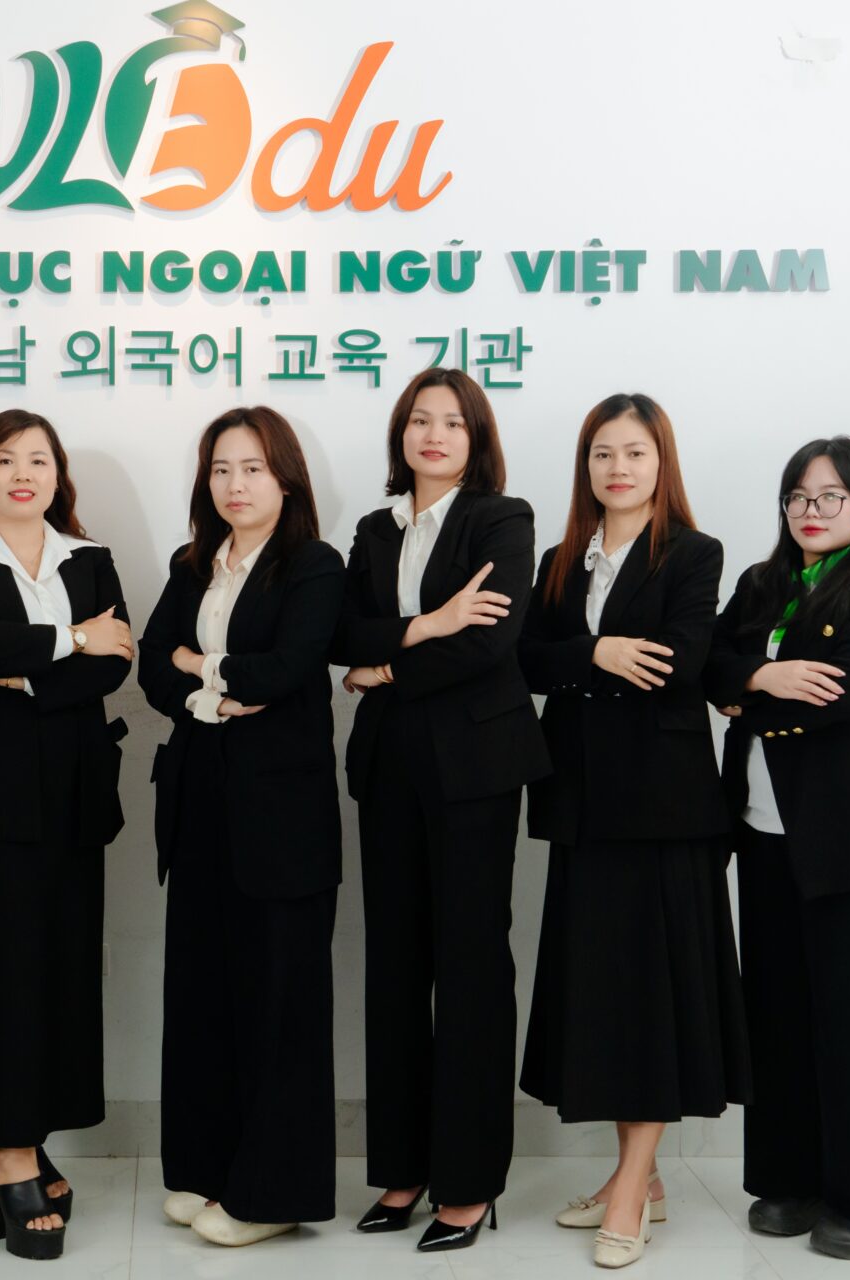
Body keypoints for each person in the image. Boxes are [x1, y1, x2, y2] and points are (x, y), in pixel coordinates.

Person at [516, 393, 749, 1269]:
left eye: (636, 453)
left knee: (653, 995)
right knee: (608, 996)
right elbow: (523, 658)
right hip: (582, 803)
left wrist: (582, 662)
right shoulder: (560, 559)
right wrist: (598, 653)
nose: (618, 468)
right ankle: (637, 1178)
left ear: (662, 463)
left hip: (663, 808)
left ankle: (629, 1190)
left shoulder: (693, 551)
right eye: (603, 453)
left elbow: (680, 664)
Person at [331, 367, 549, 1253]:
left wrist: (386, 666)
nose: (433, 435)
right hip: (389, 768)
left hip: (474, 770)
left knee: (468, 968)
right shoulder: (374, 529)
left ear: (476, 437)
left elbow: (491, 641)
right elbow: (340, 634)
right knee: (394, 967)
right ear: (401, 434)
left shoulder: (503, 519)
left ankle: (468, 1182)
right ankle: (404, 1168)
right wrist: (425, 625)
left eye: (452, 422)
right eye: (419, 420)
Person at [0, 410, 134, 1261]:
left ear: (57, 476)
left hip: (75, 789)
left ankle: (35, 1138)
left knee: (63, 969)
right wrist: (72, 640)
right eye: (5, 459)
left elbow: (118, 662)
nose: (22, 474)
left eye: (38, 460)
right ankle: (7, 1153)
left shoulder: (90, 557)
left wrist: (30, 674)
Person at [703, 435, 850, 1261]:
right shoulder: (761, 583)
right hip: (762, 832)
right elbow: (707, 667)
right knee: (778, 1015)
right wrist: (762, 676)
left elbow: (843, 693)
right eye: (798, 496)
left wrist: (747, 688)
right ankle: (788, 1181)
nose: (811, 511)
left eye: (831, 496)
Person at [137, 406, 344, 1248]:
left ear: (286, 478)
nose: (235, 484)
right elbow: (151, 664)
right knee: (202, 994)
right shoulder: (194, 564)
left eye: (253, 467)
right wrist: (211, 695)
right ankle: (208, 1168)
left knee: (279, 1003)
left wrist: (199, 666)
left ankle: (274, 1193)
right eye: (221, 468)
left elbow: (286, 670)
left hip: (282, 819)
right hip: (200, 804)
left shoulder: (314, 565)